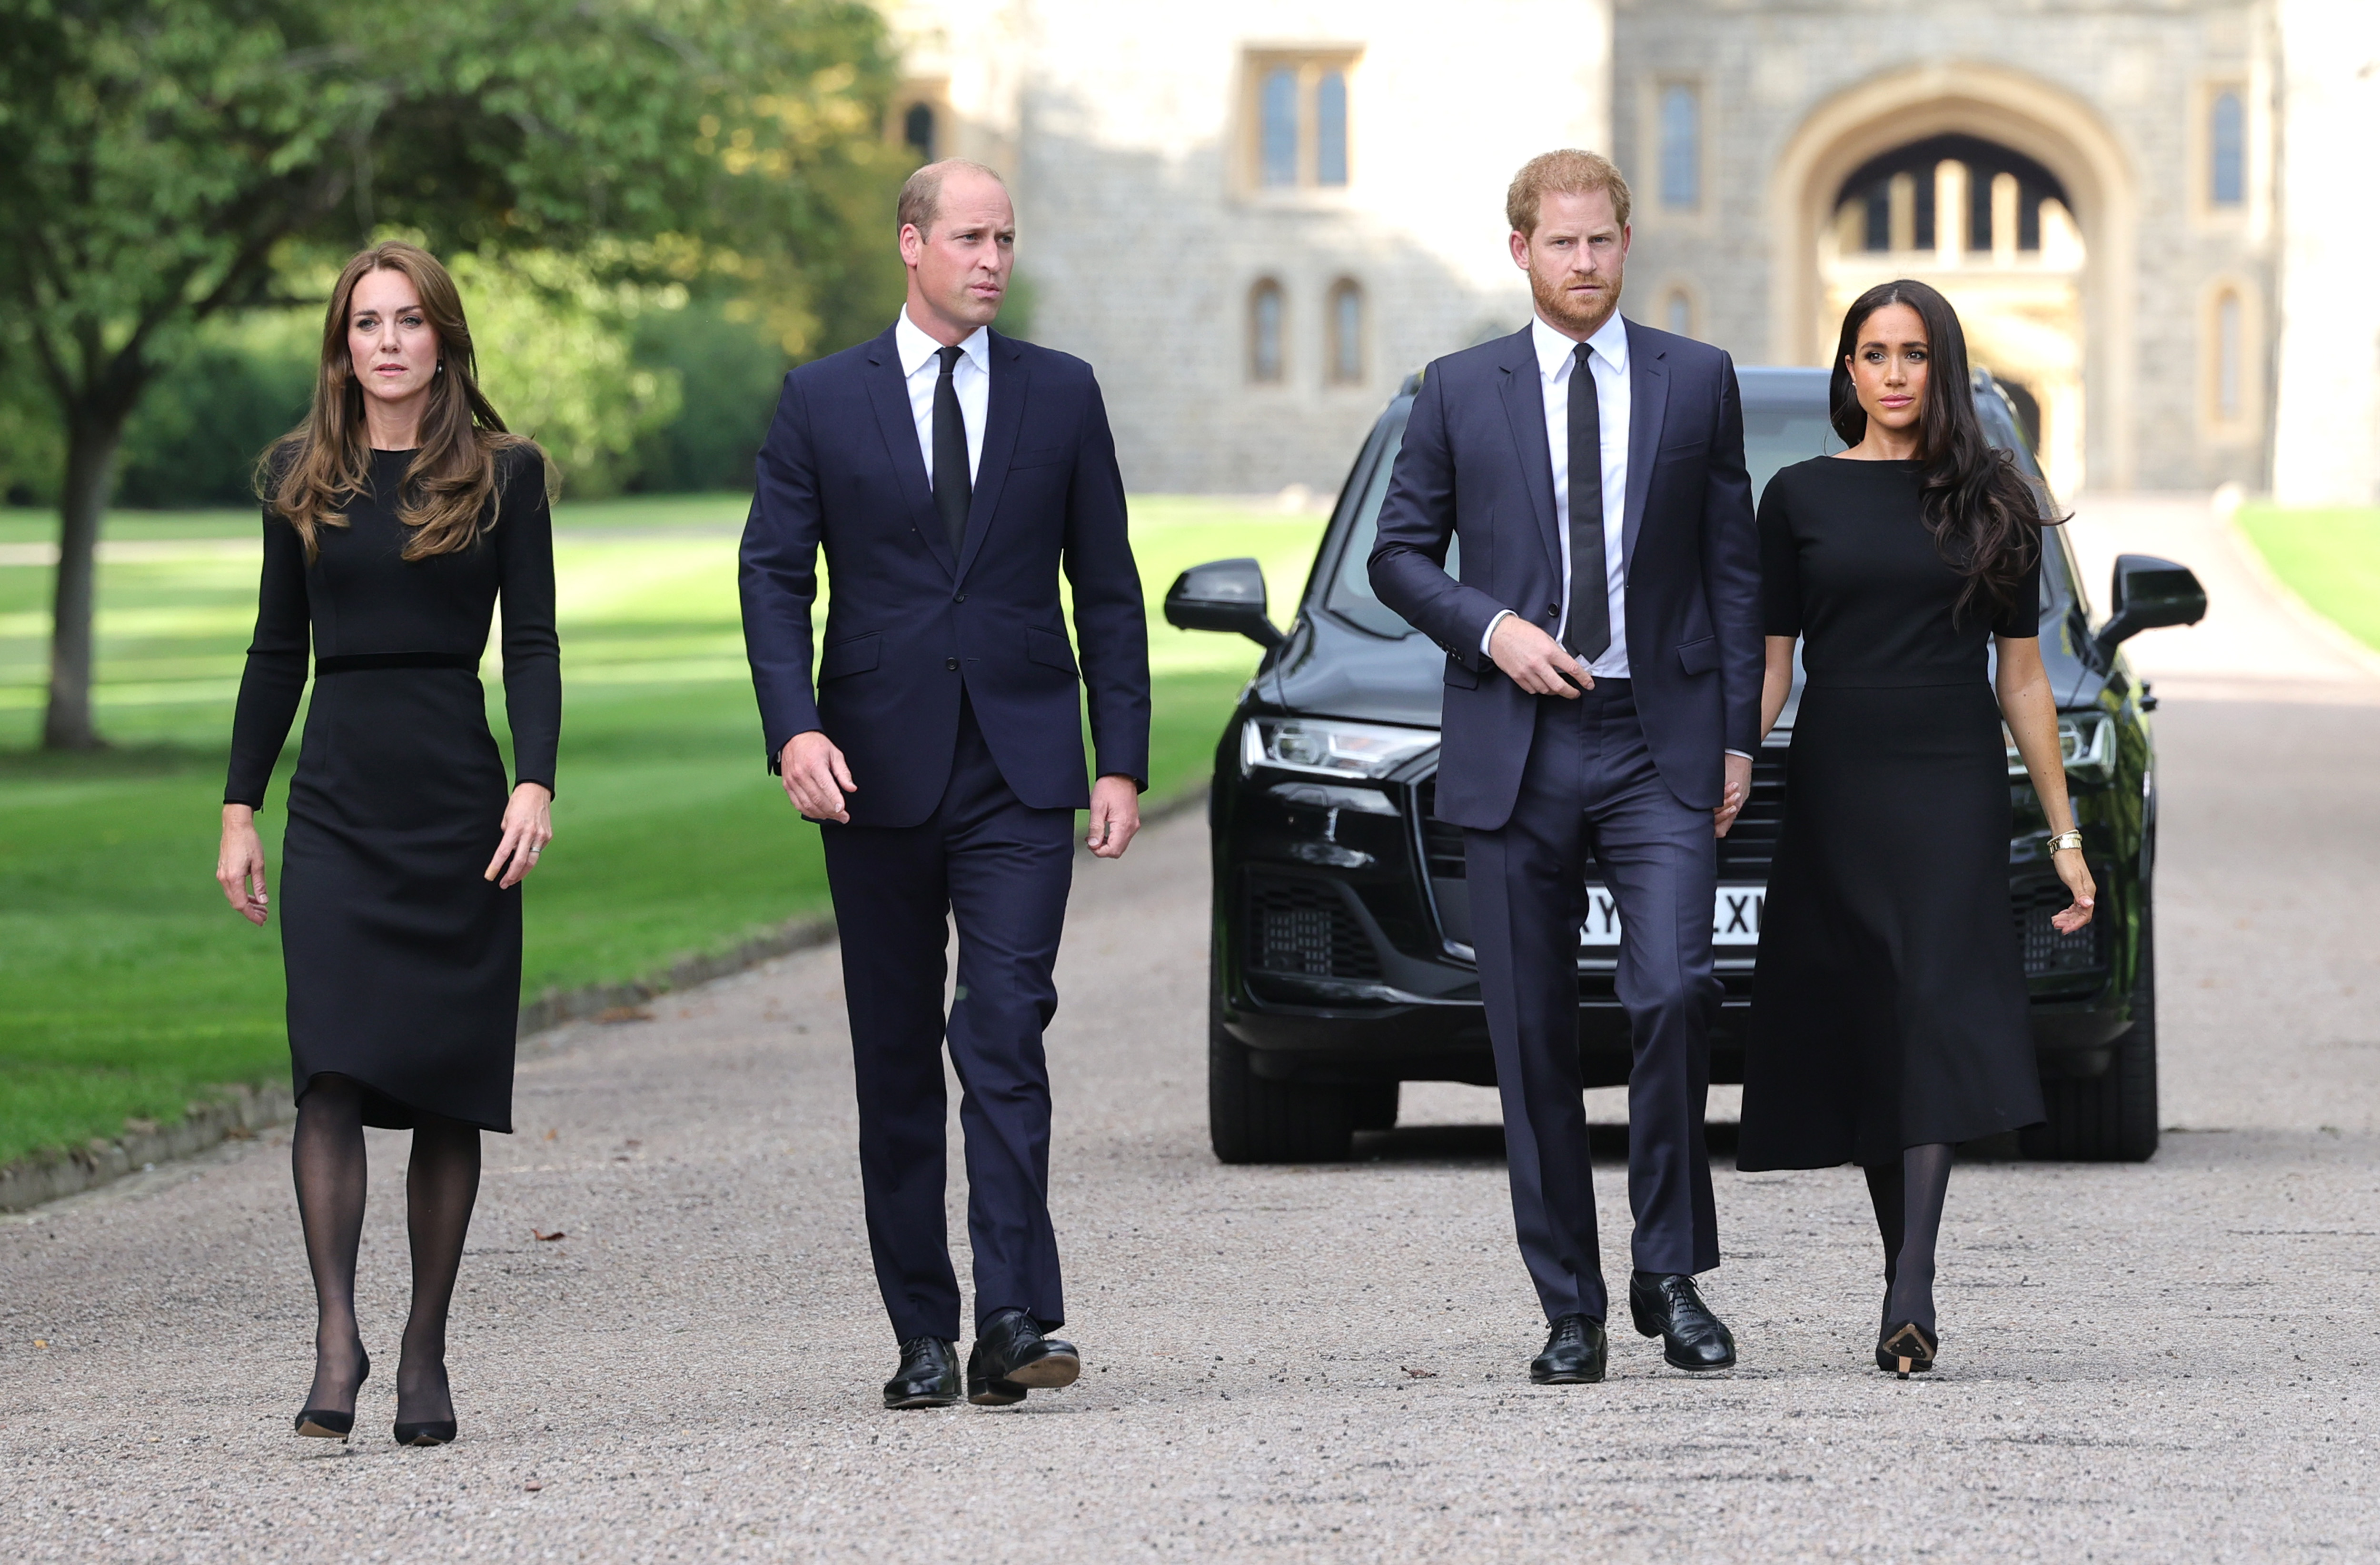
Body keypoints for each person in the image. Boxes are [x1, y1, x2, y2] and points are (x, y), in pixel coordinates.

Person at [739, 159, 1150, 1411]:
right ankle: (924, 1328)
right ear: (910, 245)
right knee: (898, 1056)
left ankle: (1016, 1315)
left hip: (1022, 772)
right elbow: (774, 577)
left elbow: (1111, 587)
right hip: (871, 773)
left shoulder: (1062, 394)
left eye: (1005, 239)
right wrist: (793, 731)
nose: (991, 259)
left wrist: (1119, 756)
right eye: (969, 237)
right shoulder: (821, 400)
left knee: (1006, 1027)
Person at [1369, 150, 1763, 1385]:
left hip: (1660, 741)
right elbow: (1397, 555)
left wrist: (1741, 731)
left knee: (1673, 991)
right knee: (1531, 1034)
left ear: (1627, 244)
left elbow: (1732, 568)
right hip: (1516, 740)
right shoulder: (1454, 390)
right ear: (1522, 252)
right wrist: (1492, 628)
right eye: (1562, 244)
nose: (1584, 263)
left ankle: (1670, 1273)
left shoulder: (1696, 382)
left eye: (1602, 242)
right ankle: (1570, 1308)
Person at [216, 240, 558, 1446]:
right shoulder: (298, 476)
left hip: (460, 806)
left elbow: (533, 648)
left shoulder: (507, 476)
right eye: (368, 322)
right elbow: (274, 653)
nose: (390, 341)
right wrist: (240, 807)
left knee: (448, 1085)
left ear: (443, 339)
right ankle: (335, 1341)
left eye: (411, 321)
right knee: (332, 1071)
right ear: (342, 344)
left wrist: (534, 784)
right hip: (340, 812)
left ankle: (424, 1348)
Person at [1737, 279, 2095, 1378]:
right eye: (1871, 353)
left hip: (1949, 781)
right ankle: (1905, 1272)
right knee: (1868, 1017)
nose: (1892, 373)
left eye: (1911, 353)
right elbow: (1770, 666)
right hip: (1838, 778)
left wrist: (2066, 839)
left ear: (1940, 366)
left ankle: (1912, 1282)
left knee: (1934, 1002)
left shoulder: (1993, 495)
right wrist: (1731, 764)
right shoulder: (1796, 497)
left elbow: (2024, 682)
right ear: (1847, 371)